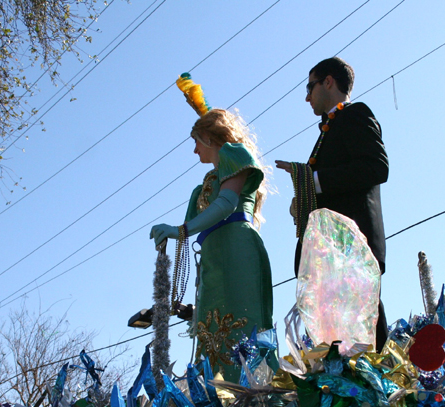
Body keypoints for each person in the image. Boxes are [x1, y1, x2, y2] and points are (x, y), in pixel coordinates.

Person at [150, 108, 273, 381]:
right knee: (211, 329)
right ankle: (217, 393)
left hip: (237, 250)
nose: (195, 151)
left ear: (207, 137)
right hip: (213, 260)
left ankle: (253, 393)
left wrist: (178, 230)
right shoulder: (203, 186)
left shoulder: (235, 153)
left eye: (195, 141)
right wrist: (175, 233)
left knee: (243, 323)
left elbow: (226, 204)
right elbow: (196, 225)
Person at [276, 57, 389, 348]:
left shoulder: (355, 114)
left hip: (353, 245)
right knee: (334, 339)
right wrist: (303, 200)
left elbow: (376, 168)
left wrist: (310, 181)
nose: (307, 97)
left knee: (363, 329)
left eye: (309, 87)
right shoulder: (329, 129)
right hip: (329, 250)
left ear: (328, 81)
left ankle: (375, 385)